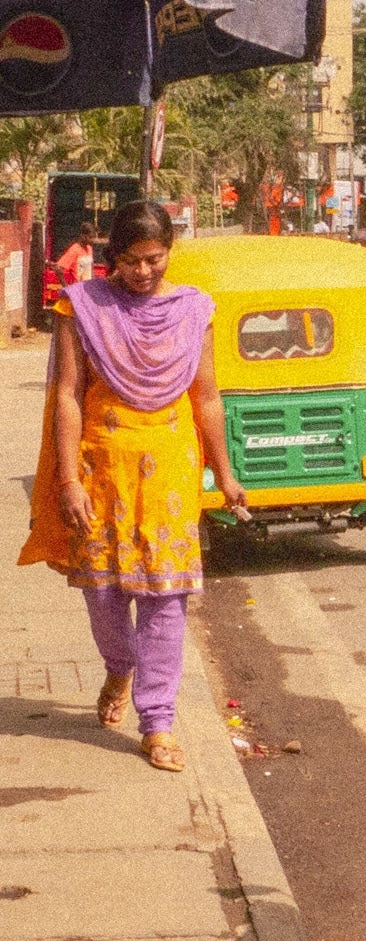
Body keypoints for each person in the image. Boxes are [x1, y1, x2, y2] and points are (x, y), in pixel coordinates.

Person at [18, 201, 248, 771]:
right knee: (102, 594)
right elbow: (68, 395)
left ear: (170, 251)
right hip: (100, 469)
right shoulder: (81, 306)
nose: (143, 272)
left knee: (166, 597)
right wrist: (66, 480)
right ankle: (119, 666)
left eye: (154, 258)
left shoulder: (194, 310)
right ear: (112, 256)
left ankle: (158, 722)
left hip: (170, 468)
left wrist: (225, 473)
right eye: (130, 261)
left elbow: (207, 397)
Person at [56, 220, 97, 286]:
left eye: (93, 238)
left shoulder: (89, 248)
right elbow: (58, 269)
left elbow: (91, 268)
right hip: (78, 288)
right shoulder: (74, 249)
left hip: (88, 287)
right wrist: (67, 287)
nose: (92, 240)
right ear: (83, 235)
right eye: (90, 237)